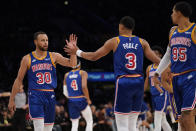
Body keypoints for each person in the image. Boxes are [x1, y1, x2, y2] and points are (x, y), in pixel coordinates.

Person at [64, 16, 160, 131]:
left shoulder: (115, 41)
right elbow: (158, 61)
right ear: (132, 28)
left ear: (121, 26)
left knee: (122, 124)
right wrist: (167, 69)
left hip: (124, 82)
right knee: (132, 124)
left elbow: (94, 56)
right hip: (138, 81)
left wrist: (77, 52)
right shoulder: (142, 42)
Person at [8, 32, 77, 131]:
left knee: (48, 128)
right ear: (35, 42)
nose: (46, 43)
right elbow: (18, 80)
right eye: (42, 40)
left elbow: (72, 64)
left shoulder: (54, 56)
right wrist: (11, 99)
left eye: (47, 40)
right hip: (35, 95)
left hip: (50, 95)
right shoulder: (27, 59)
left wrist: (73, 53)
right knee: (39, 128)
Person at [153, 1, 196, 131]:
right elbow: (167, 54)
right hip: (176, 78)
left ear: (178, 13)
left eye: (172, 12)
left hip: (191, 76)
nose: (171, 15)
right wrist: (157, 73)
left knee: (188, 115)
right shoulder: (172, 31)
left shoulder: (194, 29)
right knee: (181, 119)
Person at [144, 46, 172, 131]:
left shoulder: (165, 66)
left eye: (155, 54)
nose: (153, 55)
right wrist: (142, 92)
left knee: (158, 115)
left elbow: (170, 80)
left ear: (160, 55)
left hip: (162, 93)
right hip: (153, 95)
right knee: (163, 119)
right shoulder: (149, 68)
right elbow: (146, 82)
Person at [63, 60, 93, 131]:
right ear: (79, 65)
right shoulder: (82, 73)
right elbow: (84, 86)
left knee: (74, 123)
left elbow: (64, 92)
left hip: (71, 100)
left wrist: (71, 97)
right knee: (89, 121)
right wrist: (88, 99)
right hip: (81, 99)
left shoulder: (66, 75)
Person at [161, 66, 181, 131]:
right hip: (175, 96)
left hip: (189, 92)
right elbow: (163, 81)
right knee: (180, 120)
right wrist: (175, 91)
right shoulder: (168, 67)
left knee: (190, 117)